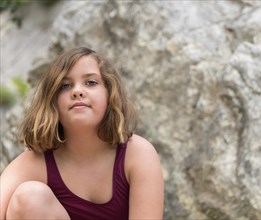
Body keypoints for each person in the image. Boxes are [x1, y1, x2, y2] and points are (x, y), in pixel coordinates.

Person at [0, 47, 164, 219]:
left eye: (91, 82)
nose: (77, 91)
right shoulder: (35, 162)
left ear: (110, 95)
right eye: (65, 85)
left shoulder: (137, 154)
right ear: (52, 101)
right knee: (29, 197)